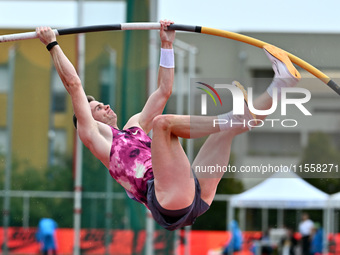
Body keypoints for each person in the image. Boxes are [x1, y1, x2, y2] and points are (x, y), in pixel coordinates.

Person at [35, 20, 301, 231]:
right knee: (164, 124)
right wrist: (52, 44)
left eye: (103, 103)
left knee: (227, 131)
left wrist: (166, 45)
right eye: (96, 108)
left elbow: (164, 91)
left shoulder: (134, 126)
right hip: (165, 200)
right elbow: (74, 85)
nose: (105, 106)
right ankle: (233, 117)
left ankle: (282, 83)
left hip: (194, 196)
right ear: (87, 119)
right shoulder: (94, 136)